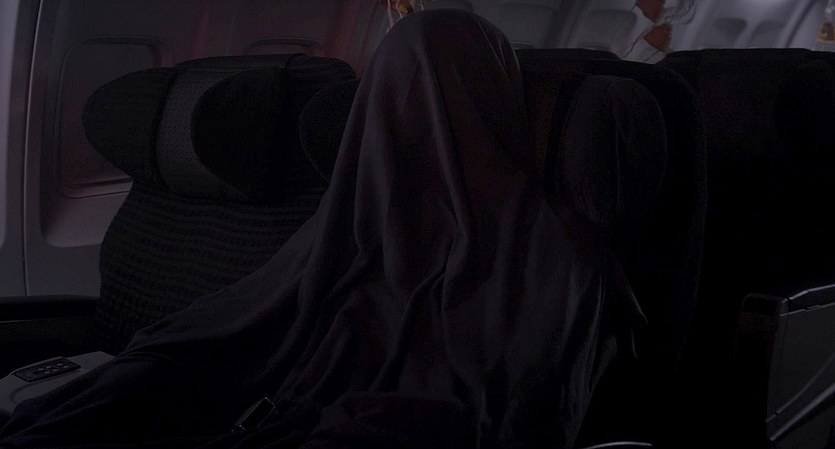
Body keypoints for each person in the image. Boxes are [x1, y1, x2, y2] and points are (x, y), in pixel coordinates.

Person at [0, 9, 642, 449]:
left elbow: (526, 407)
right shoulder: (352, 212)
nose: (400, 122)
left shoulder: (556, 255)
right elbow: (249, 317)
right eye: (390, 99)